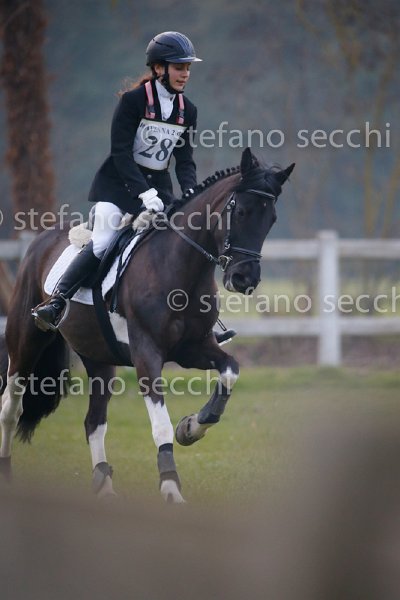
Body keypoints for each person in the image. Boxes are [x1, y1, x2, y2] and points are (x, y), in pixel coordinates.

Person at [32, 32, 235, 344]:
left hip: (160, 191)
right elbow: (121, 153)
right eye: (179, 67)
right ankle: (57, 302)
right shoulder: (133, 102)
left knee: (180, 242)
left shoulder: (187, 110)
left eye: (187, 68)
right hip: (117, 187)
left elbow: (184, 161)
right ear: (158, 68)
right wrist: (144, 193)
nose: (185, 74)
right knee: (103, 240)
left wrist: (191, 193)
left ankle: (202, 323)